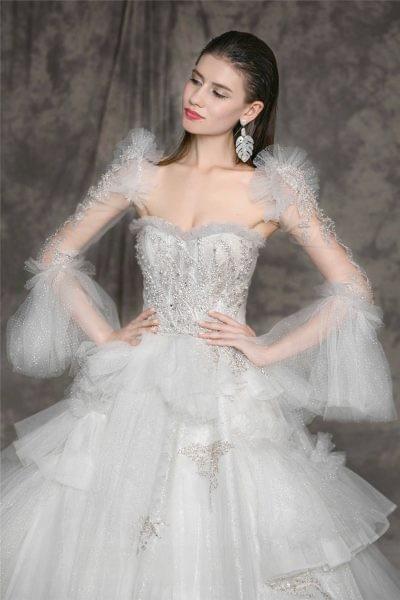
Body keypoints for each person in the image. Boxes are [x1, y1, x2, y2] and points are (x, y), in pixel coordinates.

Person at [2, 30, 399, 599]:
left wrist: (267, 349)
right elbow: (54, 259)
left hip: (222, 389)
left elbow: (352, 290)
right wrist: (108, 338)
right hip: (137, 384)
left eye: (218, 91)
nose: (196, 98)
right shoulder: (144, 175)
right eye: (195, 80)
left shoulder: (268, 190)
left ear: (250, 111)